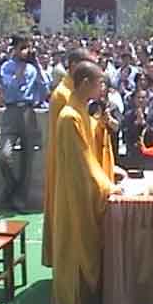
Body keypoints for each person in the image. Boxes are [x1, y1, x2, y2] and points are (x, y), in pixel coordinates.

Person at [51, 61, 122, 304]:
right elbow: (83, 163)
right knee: (77, 244)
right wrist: (108, 187)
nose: (103, 88)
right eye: (99, 83)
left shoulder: (80, 110)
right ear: (84, 84)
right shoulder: (69, 117)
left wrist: (101, 125)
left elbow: (92, 137)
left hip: (81, 190)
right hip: (75, 196)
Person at [42, 47, 94, 268]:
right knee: (66, 215)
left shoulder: (74, 91)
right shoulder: (63, 95)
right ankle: (67, 266)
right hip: (66, 163)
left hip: (73, 157)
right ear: (74, 67)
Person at [0, 35, 50, 213]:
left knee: (28, 159)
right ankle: (12, 187)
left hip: (28, 112)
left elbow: (45, 89)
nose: (26, 51)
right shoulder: (7, 67)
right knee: (4, 156)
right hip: (11, 111)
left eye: (28, 47)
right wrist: (19, 72)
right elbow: (9, 87)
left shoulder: (33, 69)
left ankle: (20, 199)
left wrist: (38, 65)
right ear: (14, 48)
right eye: (22, 47)